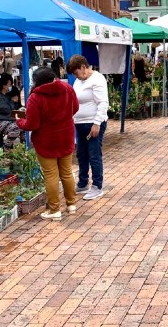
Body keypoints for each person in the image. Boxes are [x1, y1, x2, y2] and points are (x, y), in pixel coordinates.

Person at [16, 67, 79, 220]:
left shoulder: (35, 97)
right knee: (66, 172)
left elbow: (32, 124)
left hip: (46, 140)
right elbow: (75, 108)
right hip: (65, 136)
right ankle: (71, 204)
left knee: (51, 175)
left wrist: (19, 121)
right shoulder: (67, 88)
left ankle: (54, 210)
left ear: (36, 81)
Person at [67, 55, 109, 201]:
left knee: (94, 154)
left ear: (83, 67)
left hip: (93, 123)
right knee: (81, 154)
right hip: (80, 123)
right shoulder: (78, 81)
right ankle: (83, 182)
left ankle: (97, 185)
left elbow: (103, 103)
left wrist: (97, 123)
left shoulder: (97, 79)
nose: (75, 76)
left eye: (76, 72)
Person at [0, 74, 21, 150]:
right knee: (15, 128)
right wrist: (12, 101)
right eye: (10, 84)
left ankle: (23, 149)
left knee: (23, 126)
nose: (10, 86)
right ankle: (6, 149)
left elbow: (12, 109)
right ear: (4, 86)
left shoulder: (5, 96)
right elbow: (7, 109)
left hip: (4, 120)